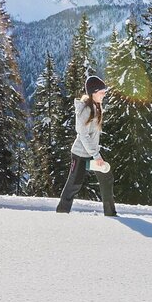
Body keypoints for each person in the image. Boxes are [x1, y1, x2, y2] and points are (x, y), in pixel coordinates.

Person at [56, 75, 116, 216]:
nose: (104, 94)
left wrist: (95, 154)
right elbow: (83, 135)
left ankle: (110, 213)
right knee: (74, 185)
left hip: (92, 152)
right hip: (80, 154)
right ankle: (61, 213)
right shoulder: (85, 111)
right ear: (93, 93)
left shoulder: (97, 106)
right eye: (101, 92)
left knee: (107, 177)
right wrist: (96, 155)